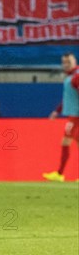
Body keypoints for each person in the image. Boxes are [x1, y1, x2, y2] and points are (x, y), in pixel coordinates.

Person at [43, 53, 79, 182]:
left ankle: (60, 174)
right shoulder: (70, 77)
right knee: (66, 142)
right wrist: (57, 111)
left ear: (74, 62)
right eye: (63, 62)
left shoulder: (76, 77)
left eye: (68, 62)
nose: (65, 65)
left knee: (66, 142)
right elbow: (68, 98)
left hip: (76, 117)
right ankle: (59, 174)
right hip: (72, 115)